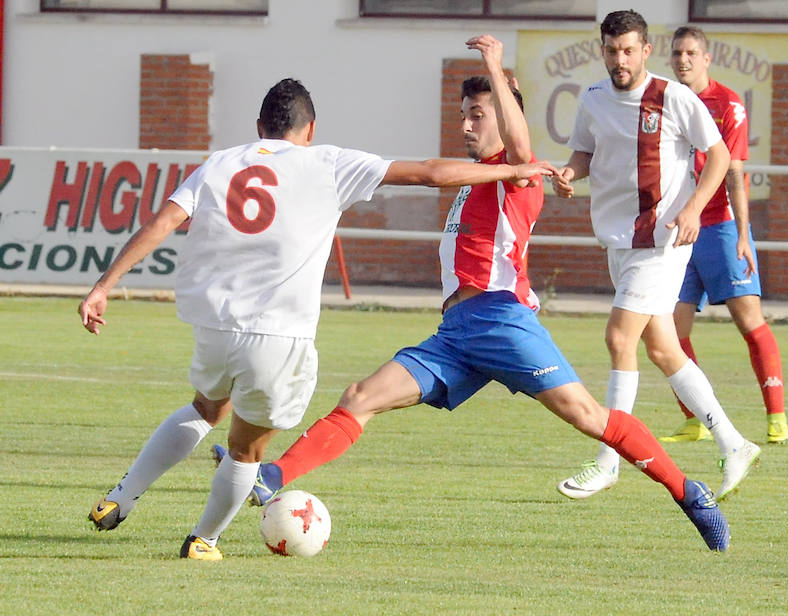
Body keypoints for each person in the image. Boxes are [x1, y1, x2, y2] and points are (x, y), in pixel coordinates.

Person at [214, 34, 731, 552]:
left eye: (477, 114)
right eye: (465, 114)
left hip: (502, 322)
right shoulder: (475, 177)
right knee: (361, 397)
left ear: (504, 116)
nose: (466, 125)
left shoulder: (519, 172)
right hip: (457, 334)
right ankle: (271, 477)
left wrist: (495, 66)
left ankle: (691, 493)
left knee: (589, 417)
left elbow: (524, 148)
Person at [80, 77, 556, 561]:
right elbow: (431, 172)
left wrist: (104, 286)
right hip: (278, 335)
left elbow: (162, 221)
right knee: (246, 448)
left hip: (215, 325)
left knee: (206, 407)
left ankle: (119, 497)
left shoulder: (221, 162)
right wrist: (512, 170)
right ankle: (205, 540)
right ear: (309, 129)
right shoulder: (326, 161)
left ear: (260, 127)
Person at [552, 11, 760, 502]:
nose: (619, 59)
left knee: (618, 337)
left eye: (628, 50)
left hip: (661, 241)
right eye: (610, 50)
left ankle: (608, 461)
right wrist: (568, 174)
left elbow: (721, 156)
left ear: (645, 50)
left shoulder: (674, 97)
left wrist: (691, 209)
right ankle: (734, 443)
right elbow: (584, 153)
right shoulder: (594, 99)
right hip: (619, 242)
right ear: (601, 50)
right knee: (664, 350)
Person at [659, 25, 788, 445]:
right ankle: (696, 418)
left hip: (719, 227)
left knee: (748, 321)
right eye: (677, 52)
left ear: (705, 58)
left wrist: (741, 236)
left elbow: (734, 173)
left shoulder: (727, 104)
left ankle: (777, 418)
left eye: (691, 53)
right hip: (680, 230)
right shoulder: (664, 101)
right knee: (670, 330)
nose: (683, 59)